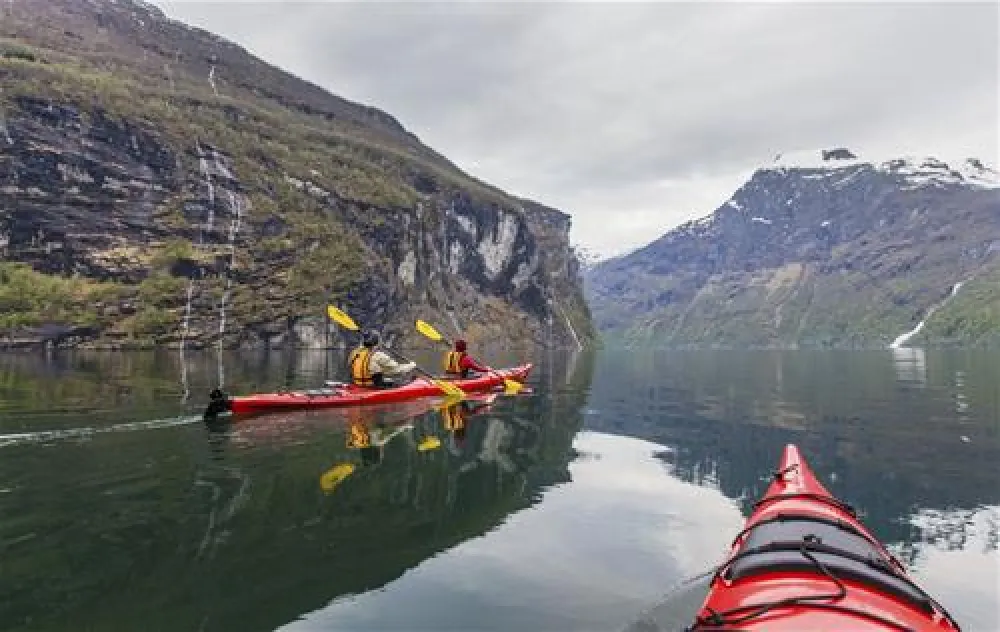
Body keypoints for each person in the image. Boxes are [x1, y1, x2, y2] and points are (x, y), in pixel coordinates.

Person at [348, 329, 416, 388]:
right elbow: (397, 369)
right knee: (395, 381)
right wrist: (411, 365)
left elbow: (351, 365)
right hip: (373, 386)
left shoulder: (354, 353)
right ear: (376, 342)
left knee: (388, 379)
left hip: (357, 384)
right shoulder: (378, 355)